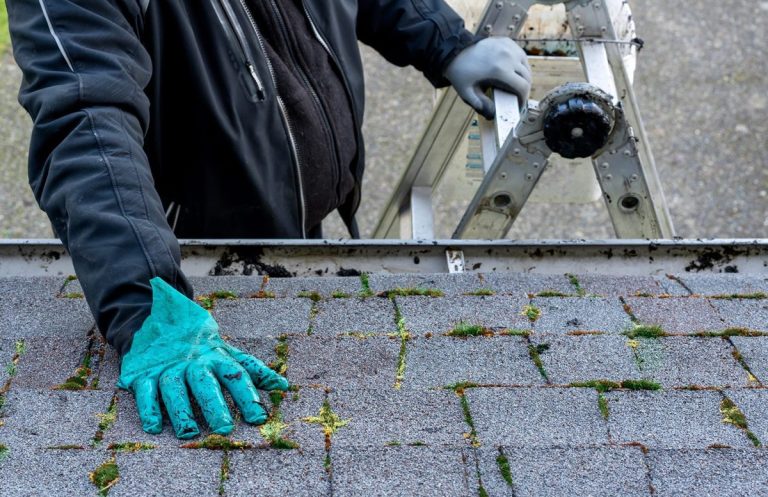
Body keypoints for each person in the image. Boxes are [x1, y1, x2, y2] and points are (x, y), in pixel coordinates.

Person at [7, 0, 531, 438]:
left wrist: (444, 40)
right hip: (188, 259)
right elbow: (86, 120)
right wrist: (147, 300)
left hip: (301, 221)